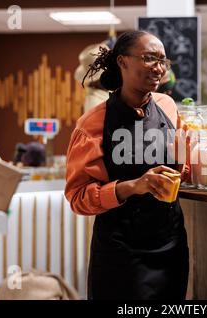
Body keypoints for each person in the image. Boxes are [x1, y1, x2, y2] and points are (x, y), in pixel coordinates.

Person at [65, 31, 189, 300]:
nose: (159, 68)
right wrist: (133, 186)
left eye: (162, 61)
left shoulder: (168, 107)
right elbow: (77, 198)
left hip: (170, 243)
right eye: (149, 59)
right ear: (122, 62)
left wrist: (189, 159)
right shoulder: (92, 125)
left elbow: (183, 166)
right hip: (120, 251)